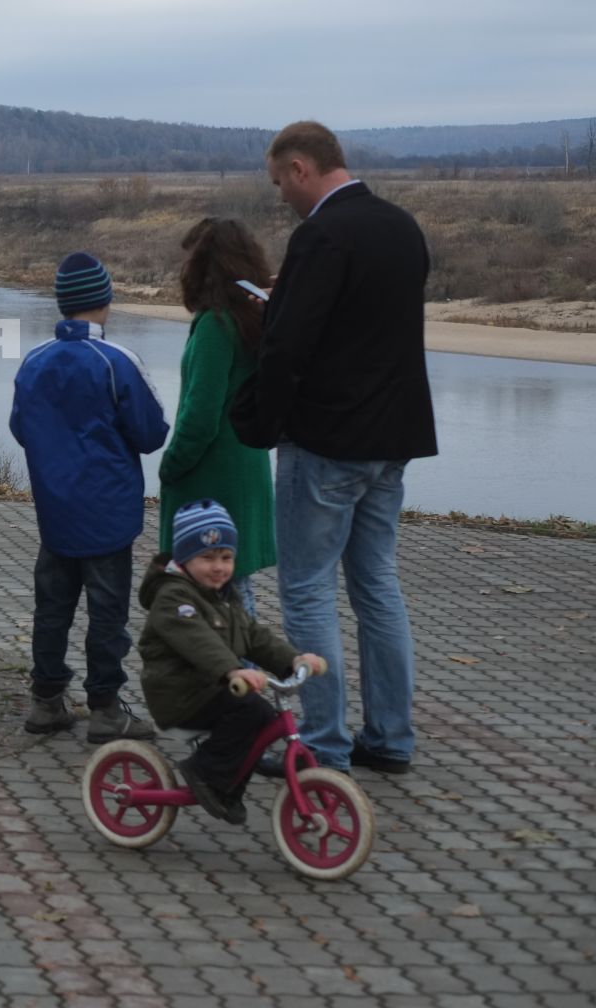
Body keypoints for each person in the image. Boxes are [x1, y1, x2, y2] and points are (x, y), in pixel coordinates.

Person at [232, 120, 437, 774]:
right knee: (377, 586)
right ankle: (391, 738)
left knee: (308, 592)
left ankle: (321, 745)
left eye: (278, 184)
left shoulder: (321, 235)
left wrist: (262, 418)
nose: (280, 198)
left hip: (325, 443)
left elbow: (291, 344)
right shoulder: (402, 227)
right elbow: (374, 328)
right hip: (393, 439)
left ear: (299, 167)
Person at [10, 252, 169, 741]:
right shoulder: (118, 361)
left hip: (55, 511)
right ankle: (105, 707)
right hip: (108, 512)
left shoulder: (34, 361)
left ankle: (46, 701)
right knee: (108, 612)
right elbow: (151, 431)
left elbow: (20, 428)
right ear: (105, 299)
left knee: (51, 607)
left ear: (61, 303)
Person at [138, 500, 329, 823]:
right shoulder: (173, 598)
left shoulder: (223, 595)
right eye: (207, 557)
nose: (219, 567)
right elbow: (199, 641)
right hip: (179, 694)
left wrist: (293, 659)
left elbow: (254, 636)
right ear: (184, 559)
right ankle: (205, 773)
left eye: (226, 558)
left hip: (209, 689)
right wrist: (232, 670)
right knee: (250, 711)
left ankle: (224, 785)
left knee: (262, 717)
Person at [157, 218, 277, 615]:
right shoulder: (255, 320)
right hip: (247, 468)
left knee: (220, 602)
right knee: (236, 593)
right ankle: (245, 670)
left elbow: (201, 414)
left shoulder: (216, 326)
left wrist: (171, 464)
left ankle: (241, 674)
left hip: (213, 480)